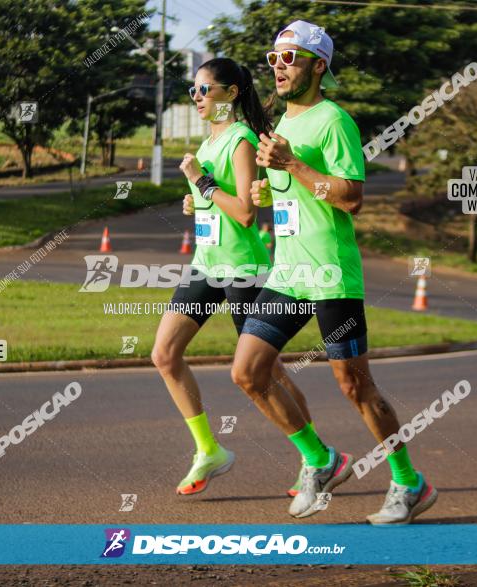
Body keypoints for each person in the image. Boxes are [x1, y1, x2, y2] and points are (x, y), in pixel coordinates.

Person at [230, 21, 437, 524]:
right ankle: (320, 459)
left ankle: (410, 483)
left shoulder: (333, 120)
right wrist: (269, 190)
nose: (279, 67)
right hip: (288, 273)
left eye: (291, 58)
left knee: (354, 386)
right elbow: (297, 194)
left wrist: (293, 166)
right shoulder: (283, 125)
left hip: (330, 275)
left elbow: (351, 199)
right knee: (248, 371)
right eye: (274, 58)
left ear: (318, 65)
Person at [151, 57, 315, 496]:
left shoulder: (241, 139)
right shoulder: (207, 145)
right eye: (194, 92)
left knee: (267, 372)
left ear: (232, 93)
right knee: (165, 355)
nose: (198, 99)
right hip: (207, 264)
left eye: (206, 90)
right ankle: (209, 450)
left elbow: (245, 212)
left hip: (243, 268)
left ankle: (315, 456)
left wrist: (202, 184)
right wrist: (198, 202)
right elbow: (218, 203)